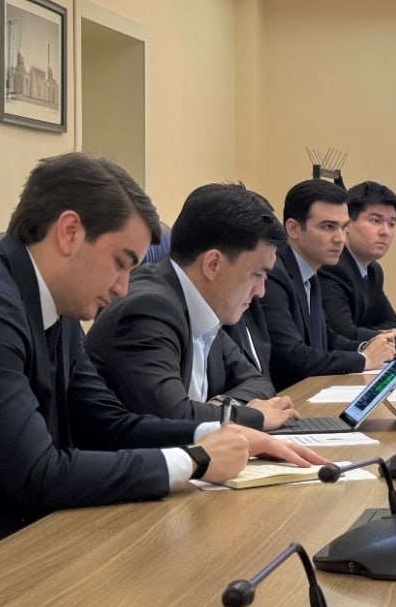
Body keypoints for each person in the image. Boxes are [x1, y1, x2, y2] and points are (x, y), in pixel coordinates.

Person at [0, 154, 324, 550]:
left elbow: (108, 425)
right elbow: (37, 473)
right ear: (69, 232)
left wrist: (218, 434)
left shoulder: (55, 302)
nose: (122, 287)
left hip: (37, 535)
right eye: (121, 263)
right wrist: (196, 459)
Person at [87, 183, 298, 431]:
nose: (261, 291)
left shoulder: (202, 307)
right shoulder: (147, 310)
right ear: (213, 264)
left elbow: (257, 381)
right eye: (257, 274)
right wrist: (250, 416)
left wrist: (222, 406)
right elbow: (173, 418)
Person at [260, 179, 396, 390]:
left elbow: (328, 338)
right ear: (293, 229)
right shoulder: (273, 273)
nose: (340, 238)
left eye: (344, 227)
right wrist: (364, 359)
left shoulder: (310, 270)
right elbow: (291, 355)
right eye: (328, 227)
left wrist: (365, 347)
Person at [319, 181, 396, 352]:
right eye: (375, 221)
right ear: (347, 224)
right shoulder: (331, 267)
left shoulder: (373, 270)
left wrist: (366, 333)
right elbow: (343, 334)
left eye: (391, 224)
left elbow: (392, 322)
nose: (385, 232)